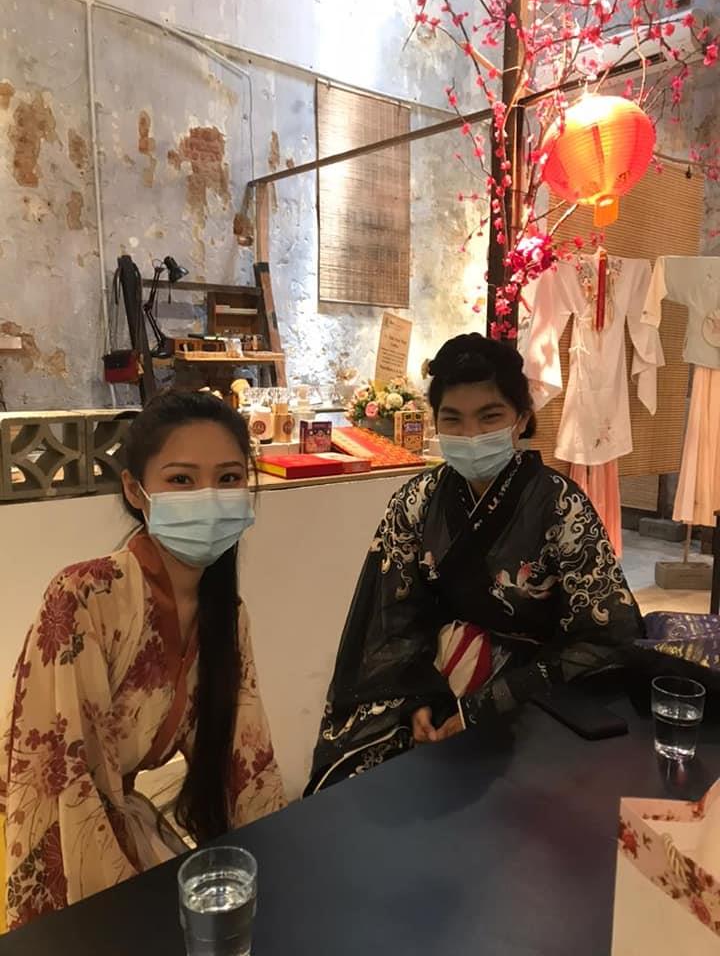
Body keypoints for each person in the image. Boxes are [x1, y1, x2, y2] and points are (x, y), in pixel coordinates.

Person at [307, 333, 643, 792]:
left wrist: (491, 701)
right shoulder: (416, 502)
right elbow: (389, 619)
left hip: (534, 694)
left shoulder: (560, 507)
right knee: (362, 791)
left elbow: (609, 635)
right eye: (453, 419)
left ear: (521, 419)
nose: (470, 436)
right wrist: (416, 698)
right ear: (436, 422)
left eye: (489, 417)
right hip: (430, 684)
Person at [0, 391, 285, 930]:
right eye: (181, 480)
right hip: (50, 831)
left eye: (228, 479)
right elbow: (67, 784)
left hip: (120, 820)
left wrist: (272, 866)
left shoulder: (227, 615)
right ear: (136, 490)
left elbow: (246, 764)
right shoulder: (82, 598)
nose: (209, 498)